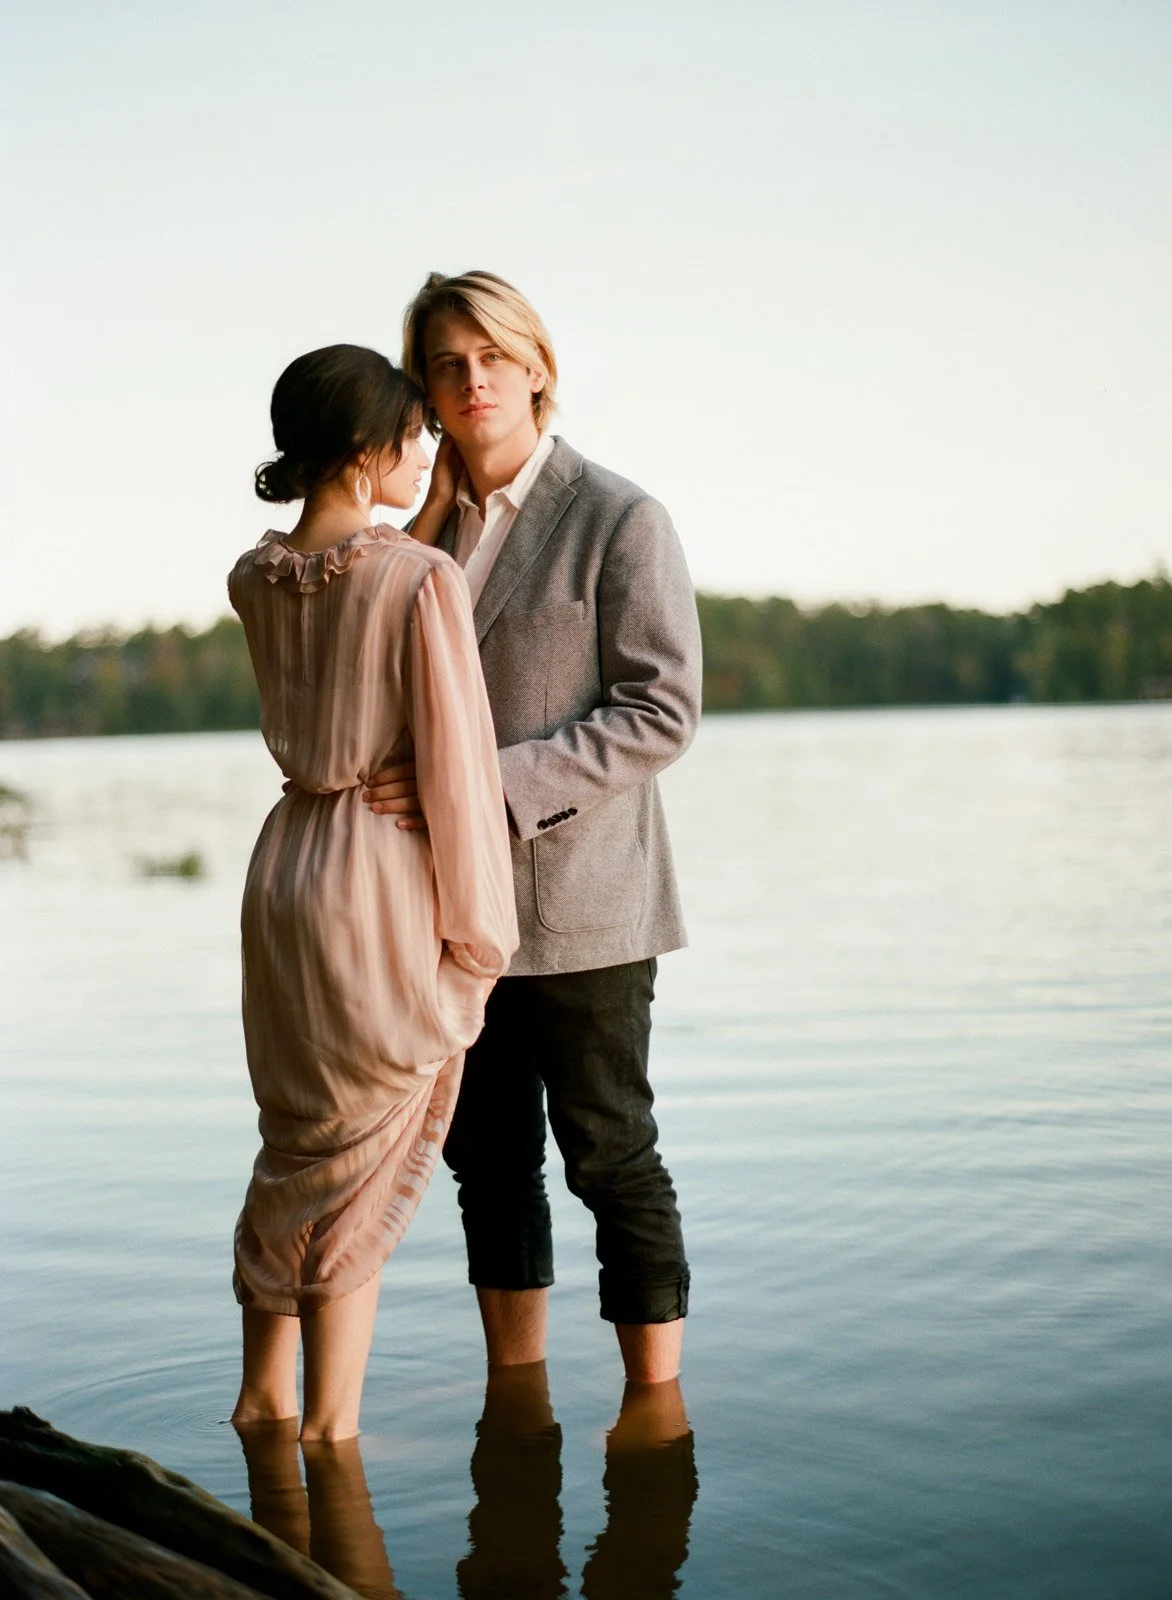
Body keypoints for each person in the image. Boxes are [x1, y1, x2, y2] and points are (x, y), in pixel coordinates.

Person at [363, 272, 703, 1386]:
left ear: (536, 367)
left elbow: (660, 711)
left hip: (586, 906)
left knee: (610, 1157)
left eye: (490, 358)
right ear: (423, 383)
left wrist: (481, 787)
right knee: (487, 1164)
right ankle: (517, 1398)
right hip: (447, 911)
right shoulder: (418, 532)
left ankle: (654, 1412)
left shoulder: (619, 517)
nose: (470, 383)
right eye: (446, 364)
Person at [227, 344, 518, 1442]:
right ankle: (329, 1430)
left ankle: (262, 1396)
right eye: (413, 435)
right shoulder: (421, 579)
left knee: (296, 1140)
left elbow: (337, 539)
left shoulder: (251, 576)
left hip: (285, 865)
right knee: (360, 1158)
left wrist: (407, 499)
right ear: (363, 450)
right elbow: (455, 769)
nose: (429, 449)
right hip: (374, 875)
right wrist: (478, 940)